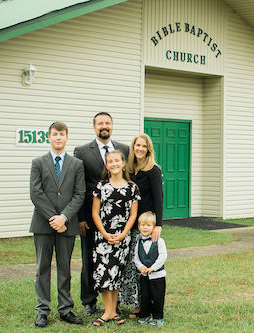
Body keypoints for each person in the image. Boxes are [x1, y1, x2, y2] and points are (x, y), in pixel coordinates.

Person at [29, 121, 85, 328]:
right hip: (43, 225)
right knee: (42, 268)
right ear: (49, 137)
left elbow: (80, 194)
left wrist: (64, 217)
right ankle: (42, 310)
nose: (59, 137)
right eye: (55, 134)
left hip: (67, 225)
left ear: (67, 137)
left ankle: (65, 309)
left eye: (62, 134)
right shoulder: (38, 162)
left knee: (65, 268)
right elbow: (36, 193)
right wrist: (54, 218)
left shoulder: (76, 165)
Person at [73, 112, 129, 315]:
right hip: (91, 216)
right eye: (100, 123)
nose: (104, 126)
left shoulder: (124, 149)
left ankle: (115, 302)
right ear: (94, 127)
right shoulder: (81, 151)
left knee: (117, 258)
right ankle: (89, 300)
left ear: (112, 126)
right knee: (90, 259)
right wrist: (80, 217)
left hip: (119, 216)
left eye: (107, 123)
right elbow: (78, 186)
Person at [90, 150, 140, 326]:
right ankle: (108, 312)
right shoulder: (101, 187)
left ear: (123, 163)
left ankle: (113, 311)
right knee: (104, 273)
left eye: (116, 160)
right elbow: (95, 213)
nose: (114, 164)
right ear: (107, 165)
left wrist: (124, 234)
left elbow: (133, 215)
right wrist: (104, 234)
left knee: (116, 273)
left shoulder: (131, 188)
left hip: (122, 237)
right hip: (103, 237)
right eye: (110, 161)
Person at [120, 133, 163, 317]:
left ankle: (143, 305)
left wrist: (158, 225)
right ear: (133, 147)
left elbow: (158, 199)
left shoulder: (153, 170)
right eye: (137, 145)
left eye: (143, 146)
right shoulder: (128, 169)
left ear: (148, 149)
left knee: (144, 265)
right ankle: (133, 301)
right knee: (131, 265)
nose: (140, 149)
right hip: (129, 224)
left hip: (145, 226)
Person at [134, 211, 167, 326]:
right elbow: (136, 258)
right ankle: (145, 315)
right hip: (144, 275)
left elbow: (163, 256)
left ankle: (158, 317)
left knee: (157, 297)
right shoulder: (138, 242)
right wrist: (141, 267)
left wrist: (153, 267)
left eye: (148, 225)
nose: (145, 228)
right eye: (142, 225)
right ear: (139, 227)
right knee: (145, 296)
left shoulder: (159, 241)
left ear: (154, 227)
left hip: (158, 275)